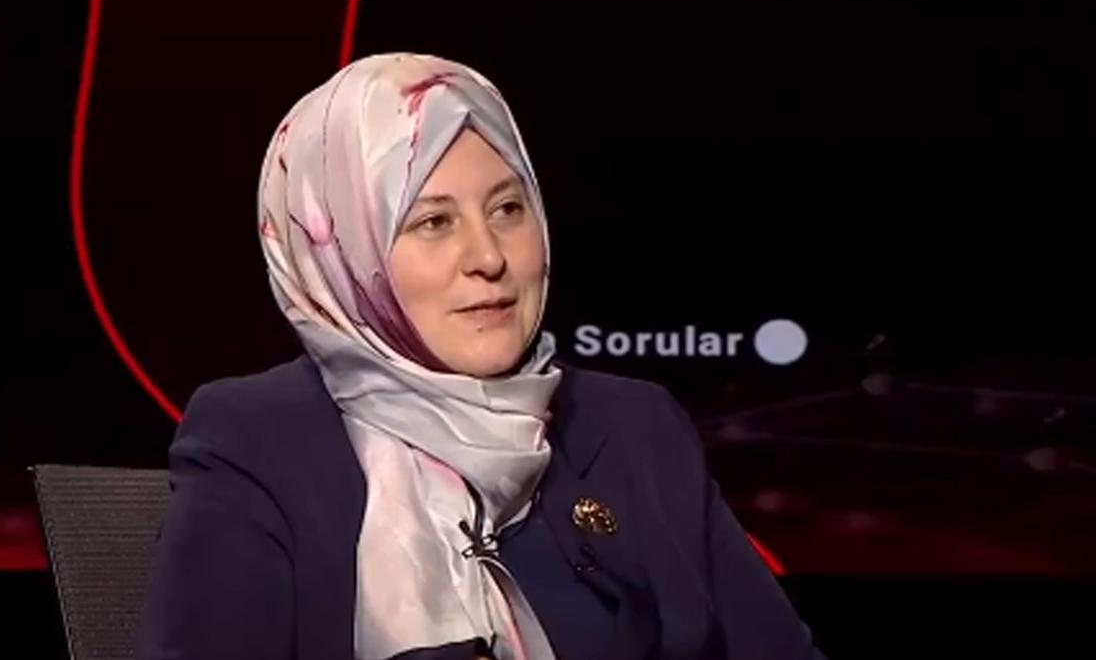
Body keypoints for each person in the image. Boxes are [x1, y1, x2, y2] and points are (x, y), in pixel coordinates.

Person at [136, 52, 825, 660]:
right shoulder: (258, 439)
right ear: (342, 254)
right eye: (434, 222)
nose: (489, 257)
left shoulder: (637, 425)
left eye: (506, 210)